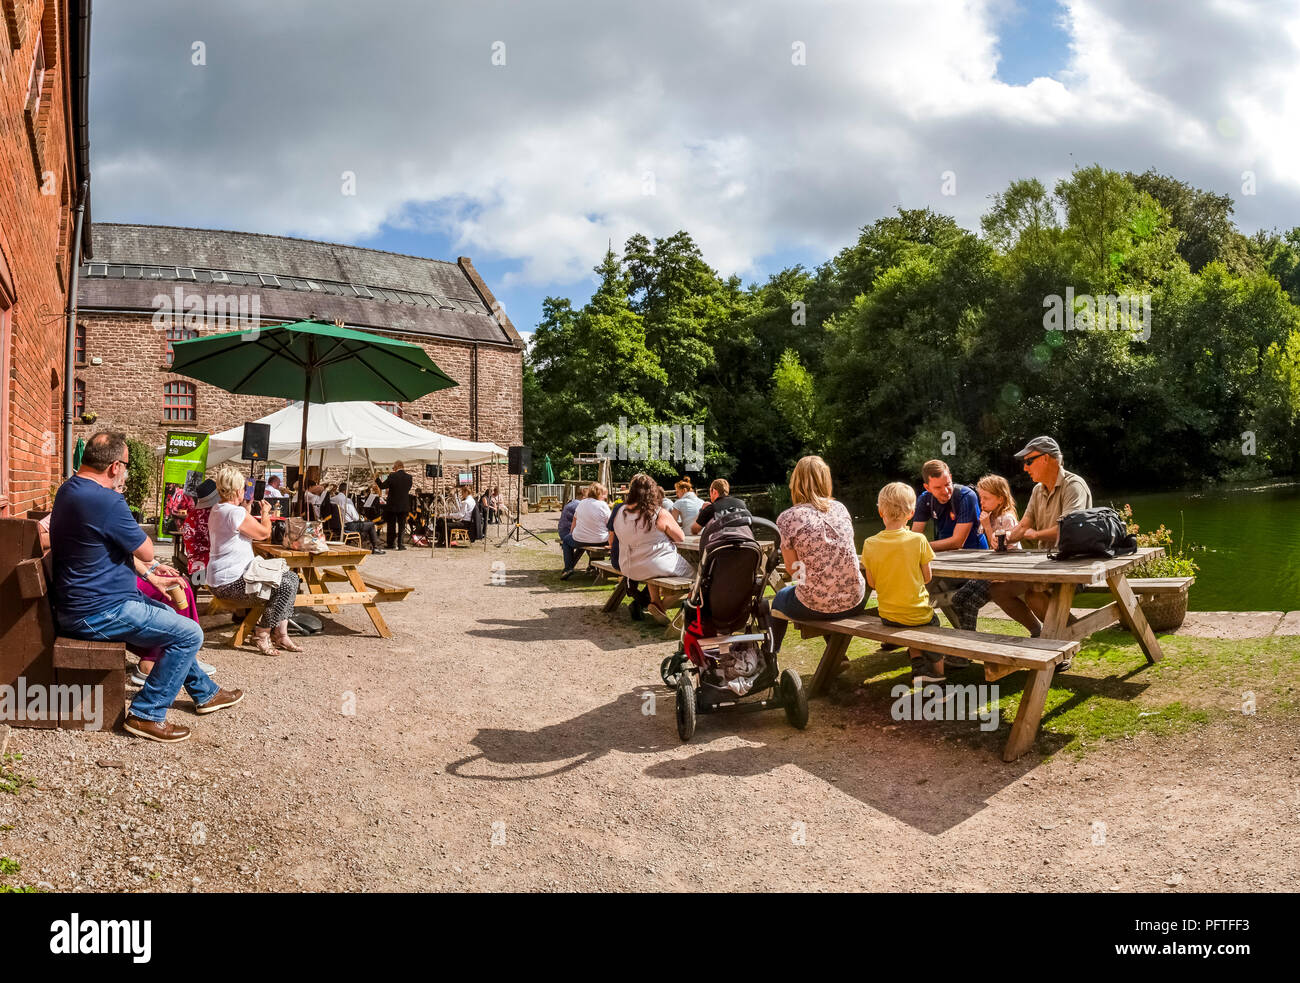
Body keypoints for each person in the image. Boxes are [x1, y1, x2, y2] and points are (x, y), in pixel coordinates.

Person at [49, 432, 242, 743]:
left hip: (87, 603)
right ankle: (146, 714)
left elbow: (103, 547)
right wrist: (146, 562)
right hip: (97, 611)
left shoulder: (69, 489)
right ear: (114, 467)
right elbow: (147, 551)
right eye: (125, 465)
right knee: (190, 633)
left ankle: (205, 693)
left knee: (170, 617)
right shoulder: (106, 500)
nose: (126, 471)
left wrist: (148, 575)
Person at [989, 436, 1093, 660]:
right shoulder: (1038, 490)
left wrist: (1035, 535)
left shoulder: (1074, 486)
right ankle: (1040, 633)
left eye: (1029, 461)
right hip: (1044, 564)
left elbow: (1068, 528)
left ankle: (1062, 648)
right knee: (998, 590)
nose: (1025, 467)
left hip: (1073, 565)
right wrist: (1005, 539)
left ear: (1046, 458)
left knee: (1035, 595)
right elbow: (1024, 524)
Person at [206, 465, 305, 656]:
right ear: (237, 490)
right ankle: (263, 632)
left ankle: (281, 633)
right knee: (285, 585)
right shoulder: (235, 513)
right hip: (231, 584)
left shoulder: (218, 509)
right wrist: (266, 514)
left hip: (221, 579)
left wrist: (246, 509)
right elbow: (264, 533)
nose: (244, 490)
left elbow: (237, 526)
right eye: (243, 487)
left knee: (290, 578)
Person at [770, 456, 866, 654]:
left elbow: (793, 569)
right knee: (821, 591)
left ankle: (770, 656)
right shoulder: (841, 509)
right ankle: (839, 658)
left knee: (780, 597)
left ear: (796, 482)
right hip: (856, 600)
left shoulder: (788, 518)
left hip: (817, 606)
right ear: (825, 480)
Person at [861, 482, 948, 685]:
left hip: (888, 615)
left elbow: (872, 583)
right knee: (933, 628)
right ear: (911, 513)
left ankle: (918, 664)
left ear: (881, 510)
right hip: (918, 615)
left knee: (908, 623)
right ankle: (938, 676)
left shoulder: (869, 543)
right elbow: (927, 577)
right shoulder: (918, 540)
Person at [910, 459, 986, 637]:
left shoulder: (966, 496)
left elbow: (957, 542)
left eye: (947, 484)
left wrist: (920, 547)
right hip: (945, 561)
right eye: (937, 488)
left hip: (973, 563)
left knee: (926, 584)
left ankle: (916, 625)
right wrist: (914, 546)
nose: (945, 491)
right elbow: (914, 536)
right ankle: (904, 626)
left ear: (951, 477)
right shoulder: (924, 500)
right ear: (927, 487)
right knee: (916, 582)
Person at [610, 474, 691, 624]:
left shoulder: (620, 512)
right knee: (696, 577)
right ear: (653, 491)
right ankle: (661, 605)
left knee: (652, 568)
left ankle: (655, 601)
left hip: (628, 566)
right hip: (655, 564)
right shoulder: (658, 513)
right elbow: (680, 537)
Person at [562, 483, 611, 579]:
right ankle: (593, 567)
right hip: (600, 540)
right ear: (599, 493)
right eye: (603, 494)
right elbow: (610, 523)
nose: (605, 496)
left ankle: (568, 568)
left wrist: (572, 534)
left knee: (566, 541)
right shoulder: (603, 505)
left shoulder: (582, 503)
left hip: (580, 539)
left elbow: (574, 521)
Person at [332, 482, 384, 553]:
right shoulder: (347, 500)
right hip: (348, 526)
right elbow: (355, 517)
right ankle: (375, 548)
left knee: (366, 523)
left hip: (336, 526)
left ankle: (365, 541)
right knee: (371, 524)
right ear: (345, 491)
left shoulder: (332, 499)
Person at [379, 461, 413, 550]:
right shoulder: (409, 477)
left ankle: (391, 544)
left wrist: (376, 478)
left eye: (394, 467)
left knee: (391, 525)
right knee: (402, 526)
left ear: (398, 466)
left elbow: (382, 486)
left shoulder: (392, 476)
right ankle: (400, 545)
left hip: (392, 505)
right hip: (403, 505)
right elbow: (407, 489)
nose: (393, 468)